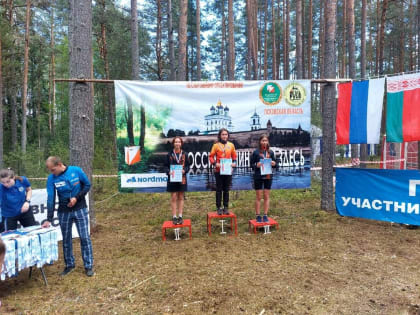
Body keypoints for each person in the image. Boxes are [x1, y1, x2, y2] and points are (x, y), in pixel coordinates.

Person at [41, 156, 94, 277]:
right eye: (50, 170)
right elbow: (50, 198)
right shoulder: (51, 178)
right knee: (66, 239)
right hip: (63, 211)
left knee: (85, 237)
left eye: (53, 169)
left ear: (59, 164)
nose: (52, 172)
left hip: (80, 208)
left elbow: (87, 185)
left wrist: (77, 197)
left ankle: (88, 265)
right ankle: (69, 264)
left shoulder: (76, 170)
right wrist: (49, 218)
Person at [209, 128, 237, 215]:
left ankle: (226, 207)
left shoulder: (231, 145)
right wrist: (214, 164)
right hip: (218, 170)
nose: (224, 136)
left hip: (228, 170)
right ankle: (219, 207)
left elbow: (234, 157)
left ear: (228, 136)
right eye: (223, 134)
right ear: (220, 136)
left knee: (226, 189)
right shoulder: (216, 145)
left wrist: (234, 164)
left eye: (226, 134)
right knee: (218, 189)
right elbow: (211, 157)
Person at [251, 135, 277, 223]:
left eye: (266, 140)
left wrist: (274, 163)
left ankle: (265, 215)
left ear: (268, 142)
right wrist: (256, 165)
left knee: (266, 196)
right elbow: (251, 165)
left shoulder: (271, 152)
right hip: (258, 176)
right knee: (258, 196)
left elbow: (276, 164)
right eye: (263, 140)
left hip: (268, 176)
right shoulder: (256, 152)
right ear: (260, 142)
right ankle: (258, 215)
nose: (264, 142)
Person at [165, 136, 190, 225]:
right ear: (173, 143)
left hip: (182, 179)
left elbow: (188, 166)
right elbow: (165, 167)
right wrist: (169, 172)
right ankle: (174, 217)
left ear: (181, 143)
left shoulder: (185, 154)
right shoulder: (169, 154)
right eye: (176, 142)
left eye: (179, 142)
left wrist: (185, 170)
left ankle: (180, 216)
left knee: (181, 197)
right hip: (172, 179)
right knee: (174, 197)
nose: (177, 143)